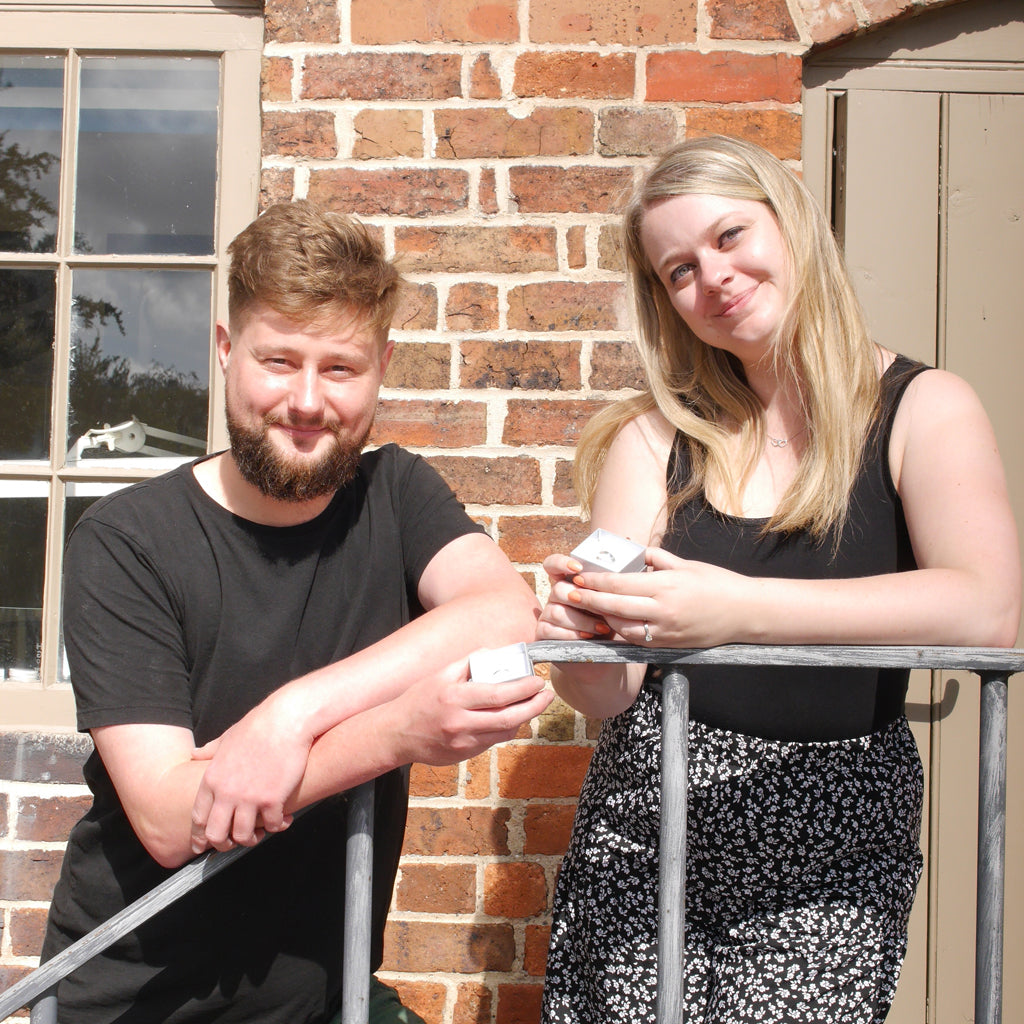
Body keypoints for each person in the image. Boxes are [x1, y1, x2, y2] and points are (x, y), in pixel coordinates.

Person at [537, 136, 1021, 1024]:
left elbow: (988, 608)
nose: (711, 277)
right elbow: (606, 691)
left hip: (830, 831)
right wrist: (578, 633)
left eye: (729, 236)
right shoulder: (655, 438)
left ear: (789, 221)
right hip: (646, 826)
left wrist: (736, 612)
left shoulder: (924, 407)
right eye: (679, 270)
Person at [41, 200, 551, 1024]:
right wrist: (390, 734)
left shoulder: (396, 494)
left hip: (329, 996)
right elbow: (173, 817)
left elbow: (505, 610)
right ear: (224, 350)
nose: (307, 400)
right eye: (278, 360)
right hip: (142, 1002)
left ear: (382, 366)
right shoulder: (126, 541)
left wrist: (290, 717)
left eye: (341, 369)